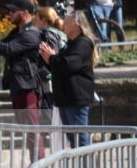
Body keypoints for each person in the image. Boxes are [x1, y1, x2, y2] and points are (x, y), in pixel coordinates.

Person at [0, 0, 46, 165]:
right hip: (18, 86)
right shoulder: (18, 32)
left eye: (13, 11)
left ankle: (38, 166)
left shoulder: (32, 34)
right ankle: (35, 165)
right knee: (27, 128)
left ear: (25, 13)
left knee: (32, 128)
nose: (9, 14)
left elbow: (7, 49)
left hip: (28, 87)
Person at [40, 11, 98, 148]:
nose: (63, 25)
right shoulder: (72, 43)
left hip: (76, 99)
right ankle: (80, 167)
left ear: (77, 25)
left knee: (79, 136)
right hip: (66, 98)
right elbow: (61, 65)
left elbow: (69, 64)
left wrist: (52, 57)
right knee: (72, 138)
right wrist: (48, 60)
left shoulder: (83, 43)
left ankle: (87, 166)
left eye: (67, 22)